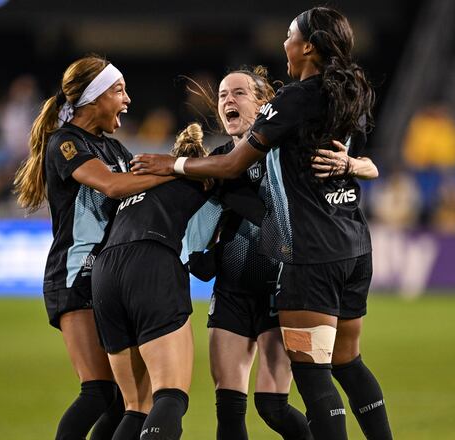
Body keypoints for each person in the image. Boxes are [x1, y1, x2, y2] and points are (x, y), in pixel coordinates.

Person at [132, 7, 391, 440]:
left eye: (290, 36)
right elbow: (355, 156)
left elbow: (233, 165)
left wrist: (171, 162)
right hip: (354, 247)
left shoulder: (294, 100)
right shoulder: (353, 93)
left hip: (310, 257)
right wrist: (357, 163)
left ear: (308, 46)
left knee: (313, 378)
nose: (283, 44)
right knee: (348, 362)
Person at [13, 55, 172, 440]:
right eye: (119, 91)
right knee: (98, 390)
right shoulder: (66, 143)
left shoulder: (115, 149)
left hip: (107, 280)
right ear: (93, 98)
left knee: (120, 400)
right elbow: (115, 187)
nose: (128, 99)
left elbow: (140, 192)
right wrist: (174, 171)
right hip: (74, 275)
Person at [93, 124, 252, 440]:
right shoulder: (201, 185)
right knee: (170, 394)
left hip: (105, 272)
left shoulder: (141, 183)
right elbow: (198, 259)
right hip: (152, 262)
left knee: (136, 405)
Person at [186, 67, 312, 440]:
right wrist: (198, 249)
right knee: (228, 410)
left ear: (262, 104)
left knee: (272, 407)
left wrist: (354, 164)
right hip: (232, 293)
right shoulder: (216, 161)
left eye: (238, 93)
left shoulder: (284, 154)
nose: (227, 100)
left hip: (281, 292)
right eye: (223, 94)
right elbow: (200, 220)